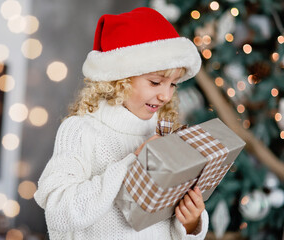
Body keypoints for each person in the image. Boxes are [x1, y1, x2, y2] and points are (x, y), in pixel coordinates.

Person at [34, 7, 208, 239]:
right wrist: (133, 163)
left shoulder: (165, 136)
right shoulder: (81, 130)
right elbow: (58, 211)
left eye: (173, 84)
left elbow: (163, 226)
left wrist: (191, 222)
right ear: (120, 80)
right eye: (156, 82)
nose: (166, 95)